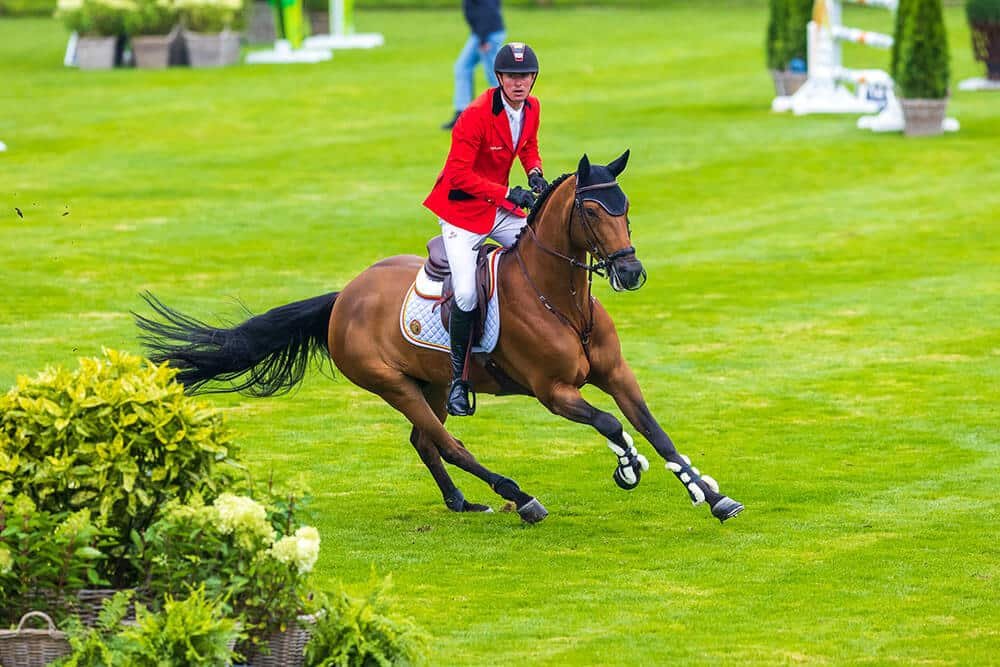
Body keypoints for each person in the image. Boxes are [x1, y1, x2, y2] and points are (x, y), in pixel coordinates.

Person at [424, 42, 549, 417]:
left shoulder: (532, 107)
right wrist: (508, 191)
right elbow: (459, 174)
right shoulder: (475, 115)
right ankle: (459, 382)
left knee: (542, 247)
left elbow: (527, 145)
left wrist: (535, 173)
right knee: (464, 295)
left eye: (525, 76)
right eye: (512, 76)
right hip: (461, 214)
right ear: (498, 78)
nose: (519, 83)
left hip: (497, 207)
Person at [441, 0, 507, 130]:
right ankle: (462, 114)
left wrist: (484, 38)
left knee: (494, 76)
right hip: (482, 34)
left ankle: (507, 114)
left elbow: (488, 10)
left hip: (488, 35)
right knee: (462, 68)